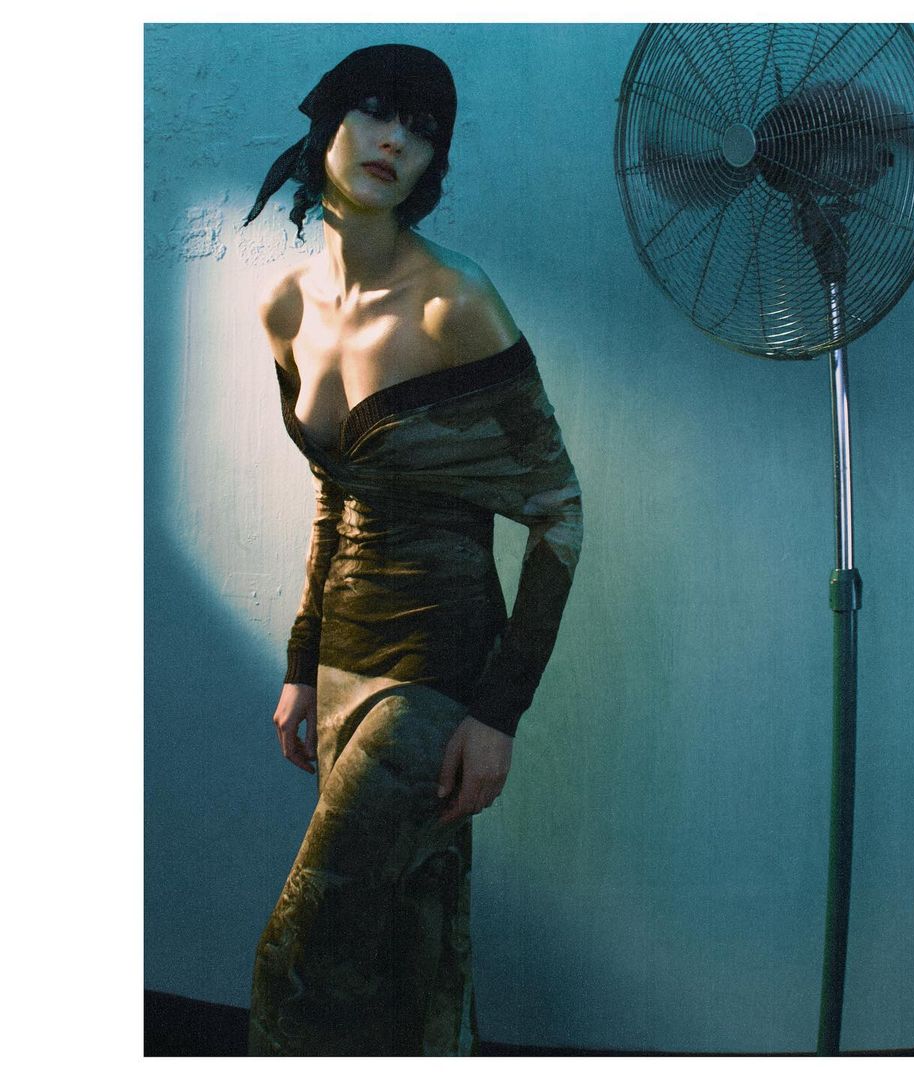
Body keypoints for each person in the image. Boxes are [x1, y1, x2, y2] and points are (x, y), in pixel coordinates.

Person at [241, 44, 583, 1056]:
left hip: (434, 678)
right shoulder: (286, 307)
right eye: (377, 110)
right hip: (342, 669)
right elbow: (335, 496)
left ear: (436, 161)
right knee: (408, 952)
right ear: (328, 120)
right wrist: (302, 663)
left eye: (423, 129)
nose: (396, 139)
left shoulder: (454, 305)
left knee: (297, 963)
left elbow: (558, 513)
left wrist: (498, 713)